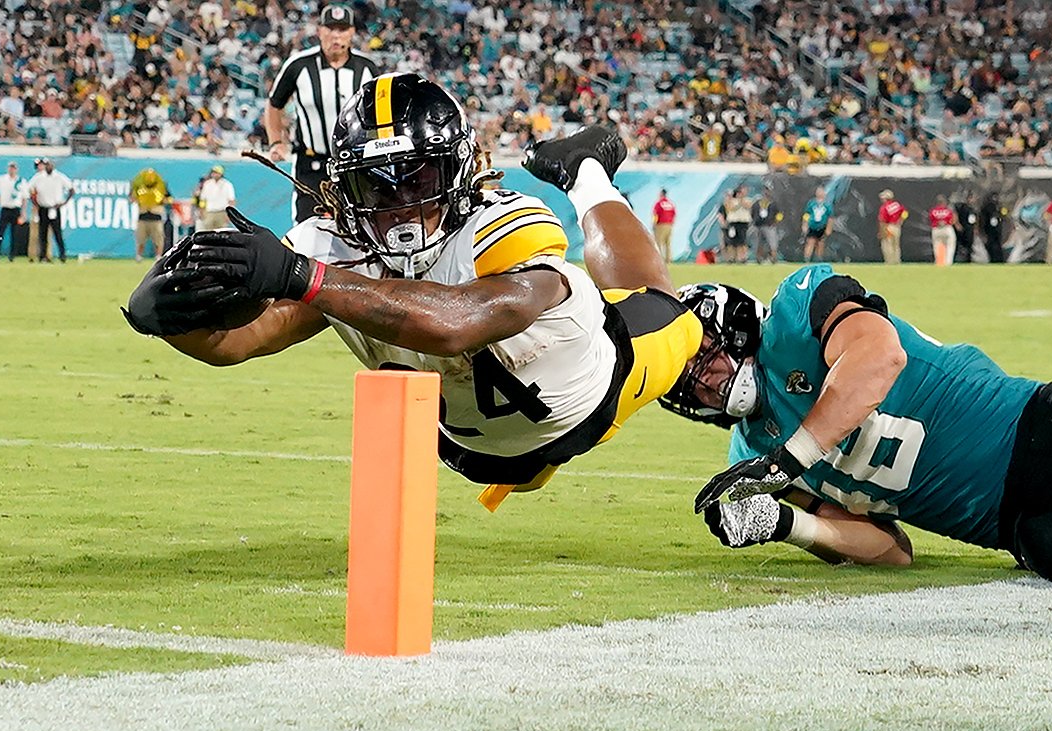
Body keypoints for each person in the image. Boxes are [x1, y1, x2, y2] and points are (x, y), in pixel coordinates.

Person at [123, 78, 703, 511]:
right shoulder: (328, 245)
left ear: (460, 169)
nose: (400, 203)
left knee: (662, 307)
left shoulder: (502, 222)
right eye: (375, 183)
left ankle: (586, 172)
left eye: (419, 179)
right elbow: (236, 341)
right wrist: (169, 320)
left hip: (592, 391)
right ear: (340, 187)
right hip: (465, 449)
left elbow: (461, 322)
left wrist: (305, 277)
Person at [671, 261, 1052, 589]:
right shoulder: (752, 457)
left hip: (1043, 423)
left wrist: (792, 457)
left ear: (732, 324)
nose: (701, 382)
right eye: (686, 383)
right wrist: (788, 525)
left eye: (702, 356)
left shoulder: (795, 315)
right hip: (1020, 526)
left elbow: (880, 355)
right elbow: (892, 551)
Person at [264, 3, 377, 224]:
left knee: (364, 229)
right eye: (330, 29)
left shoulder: (367, 68)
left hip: (356, 165)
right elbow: (274, 104)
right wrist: (276, 141)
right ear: (320, 31)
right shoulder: (299, 66)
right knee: (307, 232)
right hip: (311, 165)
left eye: (343, 29)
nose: (336, 36)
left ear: (352, 32)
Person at [26, 158, 74, 263]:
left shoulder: (59, 177)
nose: (48, 167)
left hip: (54, 207)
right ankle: (43, 256)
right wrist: (35, 202)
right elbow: (29, 189)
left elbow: (71, 189)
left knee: (57, 233)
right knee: (42, 233)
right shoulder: (39, 177)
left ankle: (62, 255)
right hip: (43, 207)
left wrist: (64, 202)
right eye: (47, 165)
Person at [0, 161, 27, 262]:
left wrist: (23, 212)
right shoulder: (2, 179)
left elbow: (25, 198)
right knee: (1, 233)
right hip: (5, 208)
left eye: (13, 168)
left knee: (14, 233)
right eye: (10, 168)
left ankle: (12, 255)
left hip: (15, 209)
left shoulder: (21, 181)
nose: (12, 170)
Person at [130, 167, 171, 262]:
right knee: (140, 238)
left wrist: (162, 202)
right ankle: (139, 256)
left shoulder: (161, 187)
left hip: (156, 216)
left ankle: (158, 256)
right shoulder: (139, 187)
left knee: (158, 238)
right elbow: (132, 198)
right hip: (143, 215)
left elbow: (169, 198)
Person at [196, 165, 235, 231]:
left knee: (222, 232)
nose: (214, 174)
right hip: (209, 212)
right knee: (208, 232)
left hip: (222, 212)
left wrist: (229, 214)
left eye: (216, 173)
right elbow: (203, 199)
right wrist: (201, 211)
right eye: (213, 172)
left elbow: (231, 200)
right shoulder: (207, 184)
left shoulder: (227, 184)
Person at [751, 187, 782, 264]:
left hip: (769, 226)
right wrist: (755, 221)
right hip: (758, 226)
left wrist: (775, 222)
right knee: (758, 244)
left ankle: (774, 258)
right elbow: (752, 213)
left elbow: (779, 214)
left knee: (772, 243)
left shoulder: (773, 204)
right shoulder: (756, 204)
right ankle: (758, 259)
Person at [801, 186, 832, 263]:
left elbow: (830, 217)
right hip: (812, 226)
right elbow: (806, 214)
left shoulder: (827, 205)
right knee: (810, 242)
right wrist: (804, 224)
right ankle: (807, 259)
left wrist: (829, 228)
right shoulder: (811, 203)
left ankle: (818, 260)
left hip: (822, 226)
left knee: (820, 243)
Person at [719, 188, 750, 264]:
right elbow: (729, 208)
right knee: (731, 242)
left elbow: (748, 206)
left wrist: (741, 201)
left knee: (742, 242)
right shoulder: (731, 202)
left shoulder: (747, 200)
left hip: (743, 223)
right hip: (733, 223)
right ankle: (731, 258)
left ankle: (742, 258)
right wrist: (737, 203)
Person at [877, 189, 907, 264]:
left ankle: (890, 261)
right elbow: (905, 213)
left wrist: (882, 231)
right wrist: (901, 220)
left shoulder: (884, 207)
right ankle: (897, 261)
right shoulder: (897, 204)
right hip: (897, 227)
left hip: (888, 227)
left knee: (887, 245)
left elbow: (882, 221)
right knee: (896, 245)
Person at [928, 194, 957, 266]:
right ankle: (948, 262)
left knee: (936, 246)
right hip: (947, 228)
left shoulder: (933, 211)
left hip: (936, 229)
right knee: (950, 246)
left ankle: (939, 262)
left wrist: (938, 222)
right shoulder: (948, 211)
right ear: (944, 202)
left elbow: (930, 220)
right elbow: (952, 220)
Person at [980, 192, 1006, 263]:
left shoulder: (999, 208)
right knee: (992, 247)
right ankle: (994, 259)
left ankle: (998, 260)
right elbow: (983, 221)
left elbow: (1004, 214)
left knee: (997, 246)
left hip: (997, 232)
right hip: (990, 231)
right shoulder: (987, 208)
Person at [652, 188, 676, 262]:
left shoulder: (659, 203)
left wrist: (654, 224)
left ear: (661, 194)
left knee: (659, 242)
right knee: (668, 243)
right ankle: (668, 259)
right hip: (669, 225)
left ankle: (659, 259)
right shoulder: (670, 204)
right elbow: (674, 214)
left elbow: (656, 214)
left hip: (661, 224)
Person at [954, 192, 977, 263]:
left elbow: (975, 219)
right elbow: (955, 214)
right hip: (962, 229)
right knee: (959, 245)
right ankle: (956, 260)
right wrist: (957, 224)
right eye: (971, 198)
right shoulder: (962, 207)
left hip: (970, 229)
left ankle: (968, 260)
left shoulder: (973, 209)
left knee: (969, 246)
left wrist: (975, 228)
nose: (973, 200)